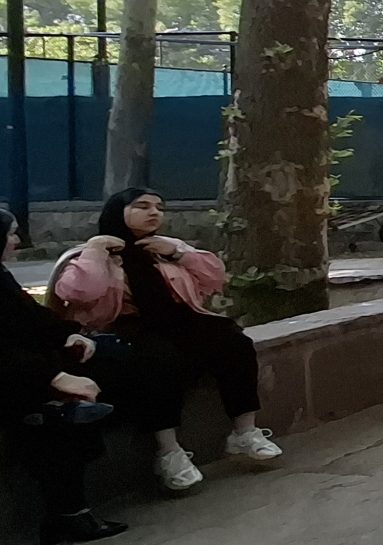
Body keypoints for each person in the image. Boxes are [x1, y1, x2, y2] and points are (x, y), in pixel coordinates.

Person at [52, 188, 282, 493]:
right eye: (142, 206)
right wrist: (96, 251)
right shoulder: (90, 254)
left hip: (179, 319)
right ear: (118, 212)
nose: (154, 213)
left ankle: (244, 431)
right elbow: (80, 292)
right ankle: (169, 451)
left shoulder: (165, 248)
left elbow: (215, 277)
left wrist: (179, 254)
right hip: (125, 327)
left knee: (234, 341)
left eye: (159, 207)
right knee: (159, 359)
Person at [0, 209, 126, 544]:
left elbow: (31, 317)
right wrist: (53, 377)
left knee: (110, 366)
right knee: (51, 415)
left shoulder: (1, 277)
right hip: (16, 376)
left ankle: (69, 512)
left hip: (24, 369)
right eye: (10, 234)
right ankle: (69, 514)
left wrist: (69, 334)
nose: (15, 241)